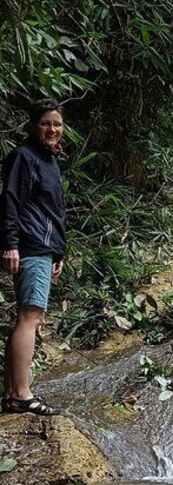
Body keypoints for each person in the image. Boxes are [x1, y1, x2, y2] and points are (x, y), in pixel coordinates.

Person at [1, 100, 67, 415]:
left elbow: (50, 211)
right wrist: (10, 244)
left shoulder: (48, 161)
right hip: (30, 245)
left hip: (43, 247)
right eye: (46, 123)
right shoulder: (24, 158)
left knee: (27, 318)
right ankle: (23, 394)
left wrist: (58, 251)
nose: (52, 129)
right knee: (31, 318)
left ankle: (13, 394)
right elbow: (11, 202)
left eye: (57, 124)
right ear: (32, 126)